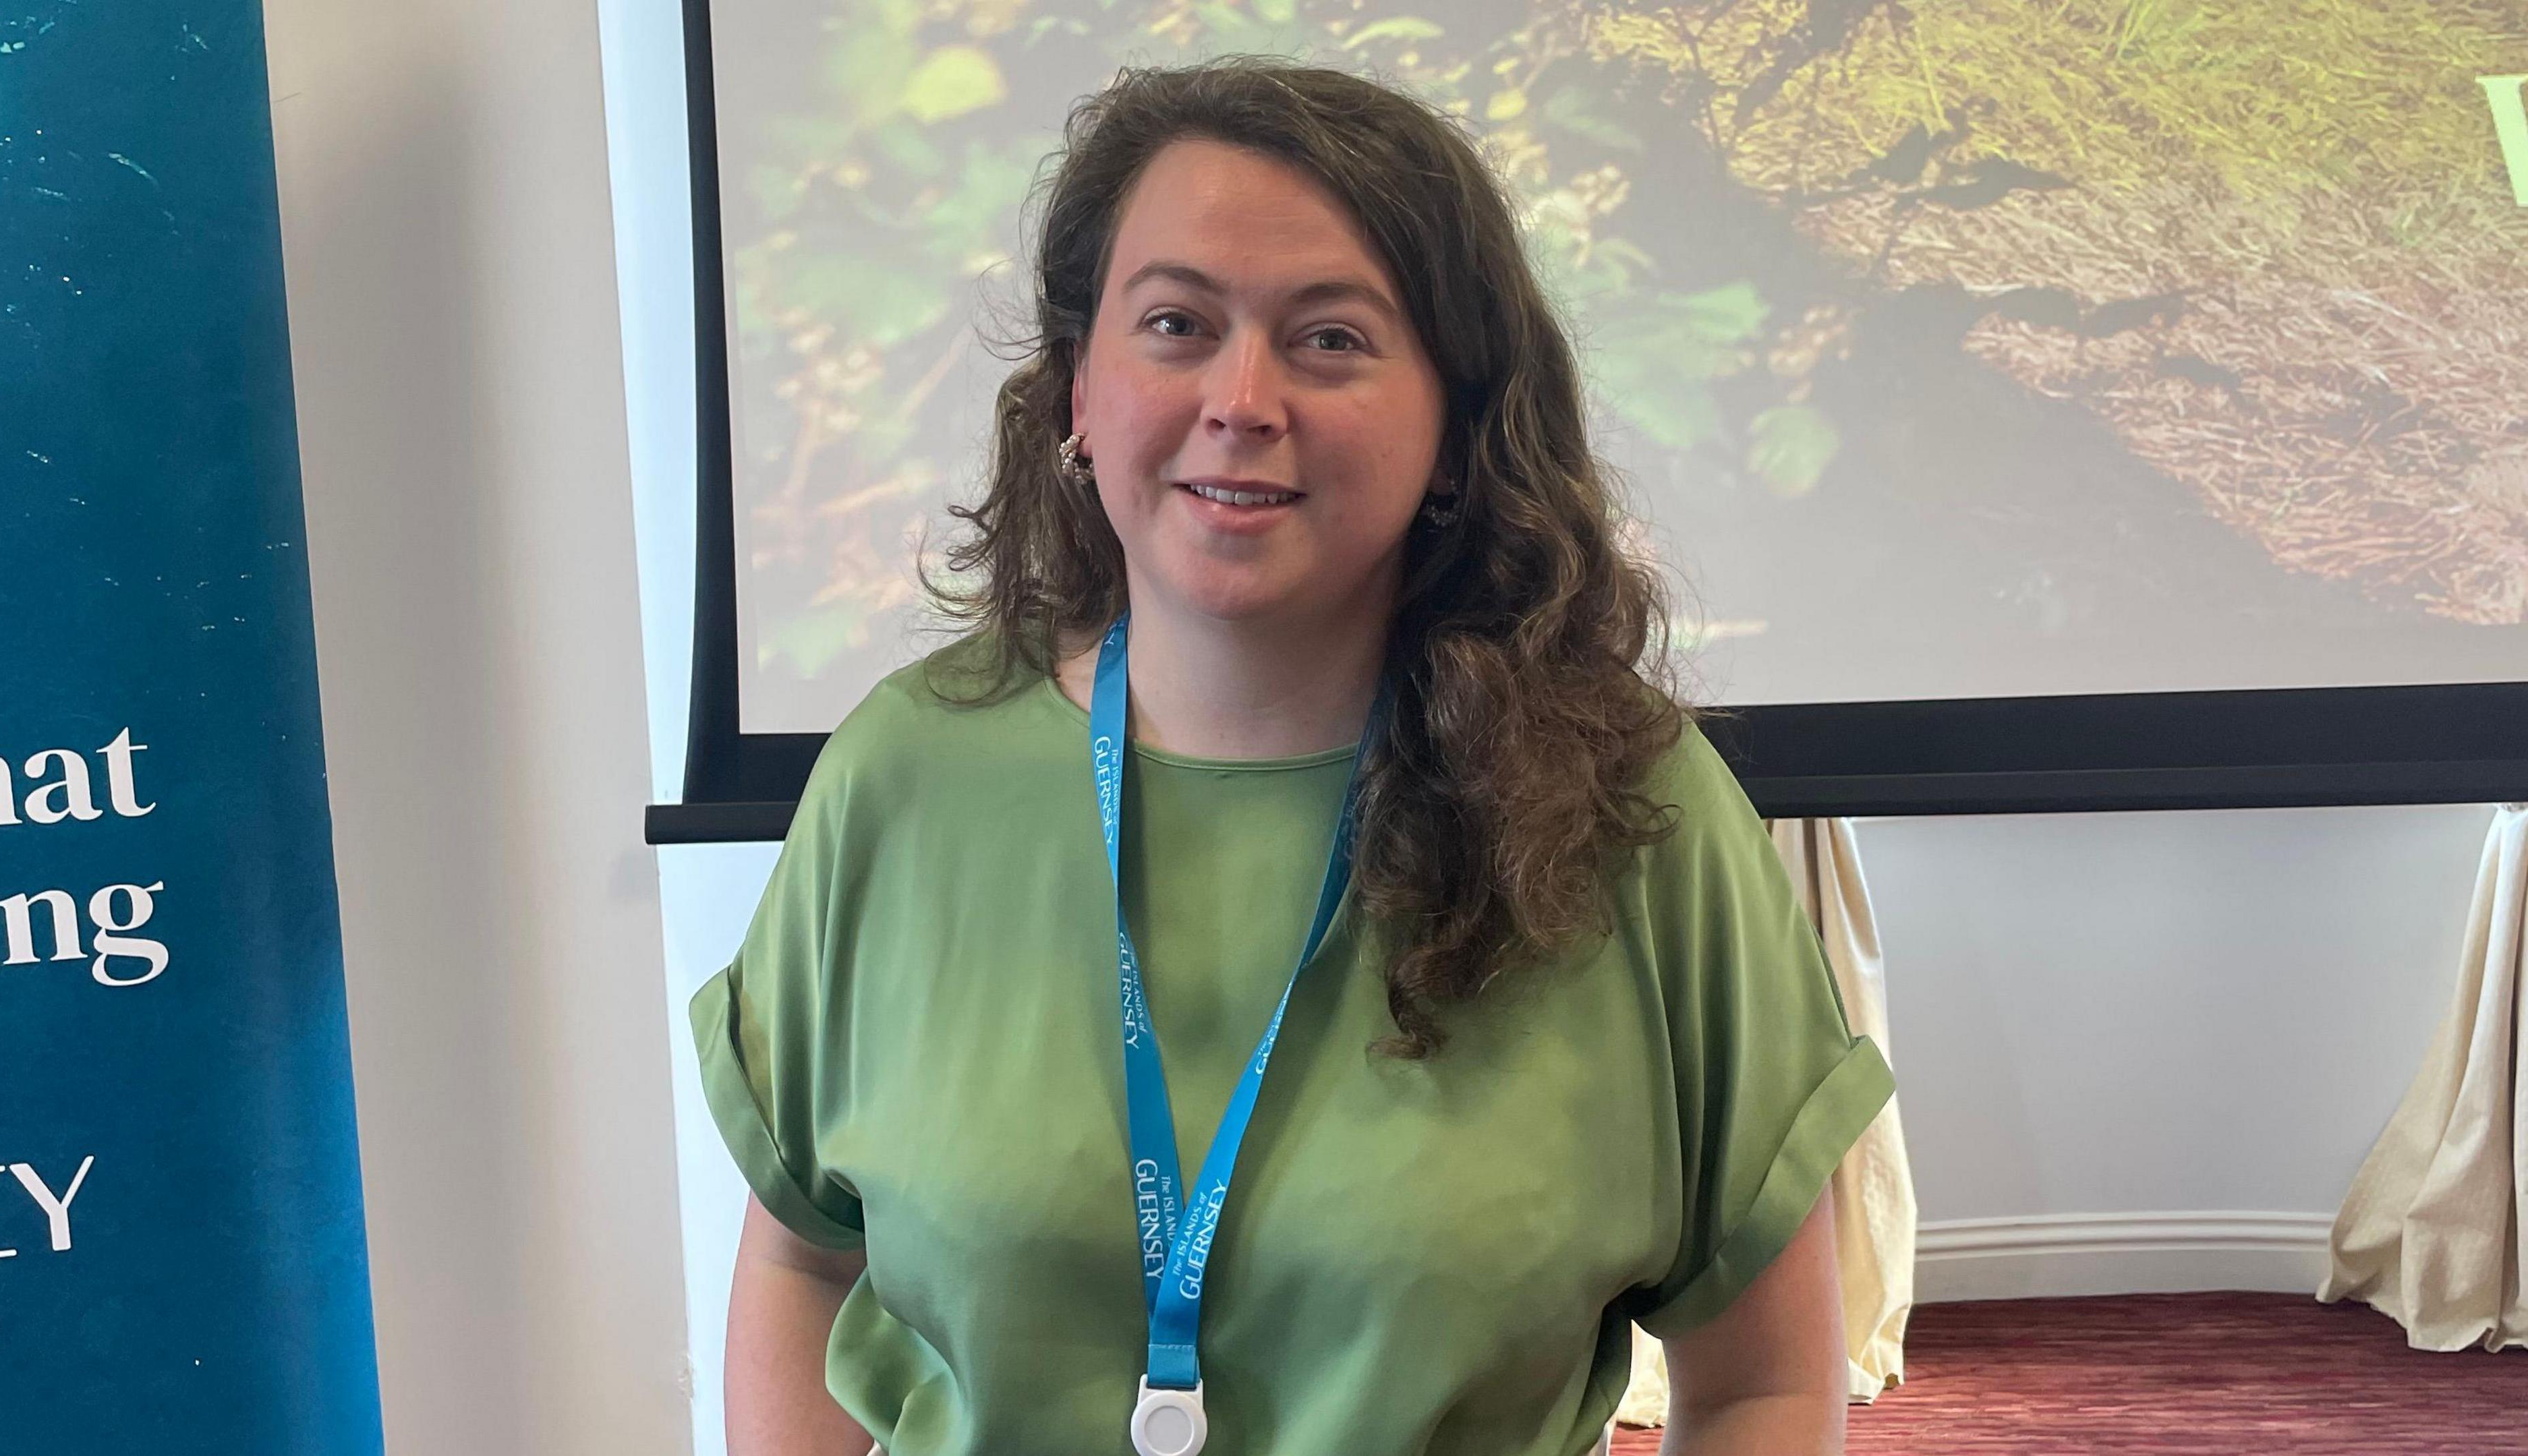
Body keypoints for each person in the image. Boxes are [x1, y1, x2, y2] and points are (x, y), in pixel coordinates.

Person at [695, 57, 1896, 1456]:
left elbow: (1762, 1380)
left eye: (1330, 339)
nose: (1242, 396)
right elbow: (798, 1268)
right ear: (1081, 391)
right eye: (1175, 322)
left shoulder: (1636, 816)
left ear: (1458, 425)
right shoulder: (901, 779)